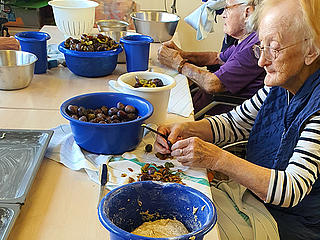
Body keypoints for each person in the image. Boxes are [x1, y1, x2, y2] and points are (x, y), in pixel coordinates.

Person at [155, 0, 320, 239]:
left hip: (289, 223)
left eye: (273, 48)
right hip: (253, 198)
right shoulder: (281, 84)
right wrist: (187, 128)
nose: (262, 61)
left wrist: (216, 158)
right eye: (260, 47)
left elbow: (291, 189)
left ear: (311, 50)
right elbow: (235, 123)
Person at [158, 0, 265, 116]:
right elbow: (216, 58)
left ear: (247, 13)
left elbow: (213, 84)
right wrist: (181, 53)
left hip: (218, 113)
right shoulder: (248, 39)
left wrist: (178, 64)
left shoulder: (253, 48)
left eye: (227, 8)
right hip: (204, 100)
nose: (223, 15)